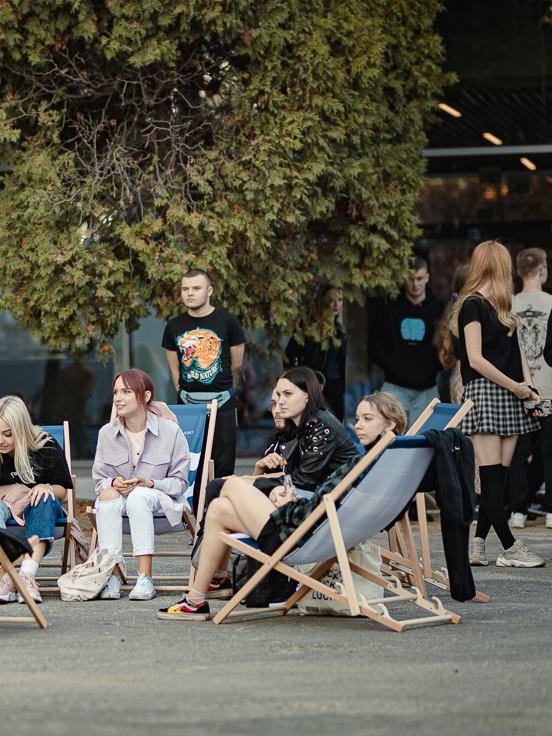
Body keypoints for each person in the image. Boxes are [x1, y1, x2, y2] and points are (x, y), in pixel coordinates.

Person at [158, 367, 362, 620]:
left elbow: (302, 482)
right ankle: (197, 599)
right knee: (220, 508)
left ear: (308, 395)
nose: (280, 402)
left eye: (288, 394)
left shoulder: (321, 426)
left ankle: (214, 581)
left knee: (231, 484)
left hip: (316, 528)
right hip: (307, 518)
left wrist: (255, 482)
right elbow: (296, 481)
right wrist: (262, 481)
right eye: (277, 395)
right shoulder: (303, 427)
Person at [439, 241, 545, 568]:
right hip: (486, 392)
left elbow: (519, 355)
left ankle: (478, 544)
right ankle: (510, 548)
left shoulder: (504, 308)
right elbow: (474, 359)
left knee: (497, 480)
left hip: (511, 394)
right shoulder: (472, 305)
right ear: (497, 266)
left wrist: (529, 389)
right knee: (491, 478)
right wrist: (516, 386)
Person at [92, 369, 191, 601]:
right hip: (120, 502)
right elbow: (99, 481)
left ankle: (144, 577)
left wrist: (150, 483)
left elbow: (180, 483)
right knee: (106, 496)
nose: (118, 398)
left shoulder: (170, 431)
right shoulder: (107, 433)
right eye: (116, 392)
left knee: (139, 496)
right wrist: (113, 482)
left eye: (126, 392)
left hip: (161, 503)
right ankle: (113, 575)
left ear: (146, 396)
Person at [0, 396, 73, 605]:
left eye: (7, 434)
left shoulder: (46, 446)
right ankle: (1, 575)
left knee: (43, 497)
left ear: (22, 429)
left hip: (40, 510)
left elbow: (63, 490)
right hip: (1, 510)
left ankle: (26, 575)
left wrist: (47, 487)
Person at [161, 269, 246, 478]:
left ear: (209, 291)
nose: (190, 293)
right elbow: (174, 369)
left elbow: (236, 363)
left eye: (196, 288)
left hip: (223, 403)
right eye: (185, 289)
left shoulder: (228, 321)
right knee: (188, 465)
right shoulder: (174, 326)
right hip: (188, 406)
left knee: (223, 468)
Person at [368, 257, 446, 422]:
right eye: (410, 278)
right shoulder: (388, 307)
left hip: (427, 387)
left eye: (419, 278)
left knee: (426, 435)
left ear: (427, 277)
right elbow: (375, 346)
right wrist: (394, 369)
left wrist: (434, 368)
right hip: (394, 386)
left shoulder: (439, 308)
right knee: (388, 433)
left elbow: (447, 345)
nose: (415, 284)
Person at [507, 248, 552, 529]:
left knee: (519, 453)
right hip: (548, 388)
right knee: (550, 450)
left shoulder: (508, 306)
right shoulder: (551, 303)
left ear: (518, 271)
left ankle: (518, 511)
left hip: (519, 389)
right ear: (543, 269)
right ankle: (551, 512)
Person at [285, 286, 348, 419]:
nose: (336, 304)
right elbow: (289, 356)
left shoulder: (340, 330)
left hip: (334, 388)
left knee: (335, 426)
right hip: (311, 386)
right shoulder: (307, 328)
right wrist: (299, 383)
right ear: (322, 302)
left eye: (340, 300)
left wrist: (342, 390)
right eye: (331, 300)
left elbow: (341, 363)